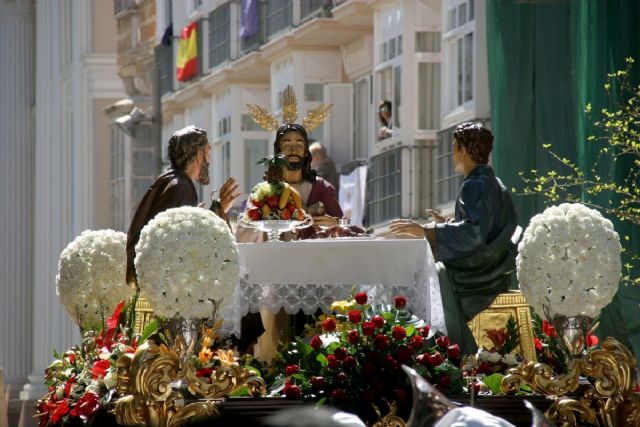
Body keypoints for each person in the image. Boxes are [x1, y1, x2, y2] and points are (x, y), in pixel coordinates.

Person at [389, 122, 518, 354]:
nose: (451, 153)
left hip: (477, 273)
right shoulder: (496, 183)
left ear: (463, 150)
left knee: (415, 278)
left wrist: (426, 231)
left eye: (454, 147)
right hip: (491, 265)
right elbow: (484, 229)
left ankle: (437, 351)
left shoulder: (474, 186)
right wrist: (446, 226)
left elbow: (473, 235)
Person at [125, 125, 241, 286]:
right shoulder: (179, 187)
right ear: (200, 156)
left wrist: (215, 211)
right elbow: (180, 242)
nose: (210, 160)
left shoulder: (172, 182)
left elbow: (182, 233)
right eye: (208, 151)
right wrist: (217, 211)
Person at [275, 125, 343, 235]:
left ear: (306, 153)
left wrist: (335, 224)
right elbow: (247, 231)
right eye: (287, 145)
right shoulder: (266, 190)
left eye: (299, 145)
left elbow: (344, 228)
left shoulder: (322, 188)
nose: (293, 150)